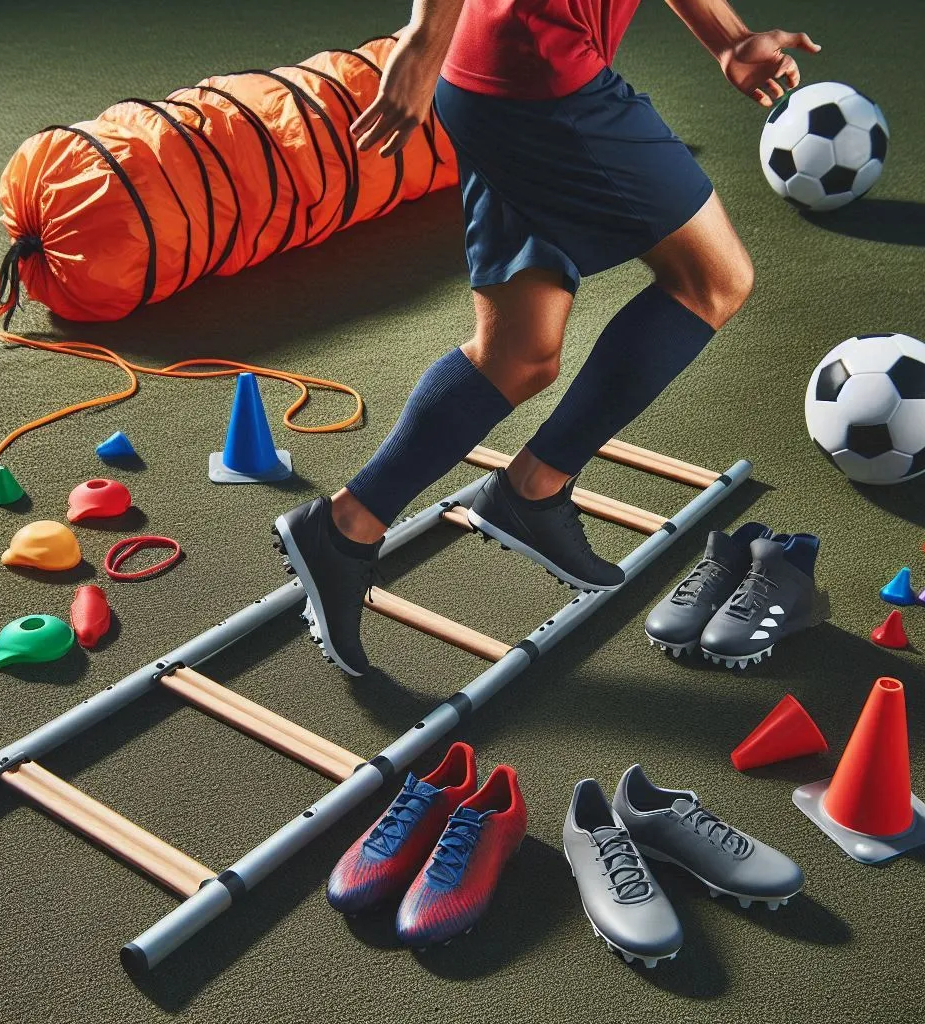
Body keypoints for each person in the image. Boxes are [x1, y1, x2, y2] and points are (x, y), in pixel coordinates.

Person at [274, 0, 819, 676]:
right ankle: (533, 487)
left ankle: (344, 528)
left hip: (491, 78)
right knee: (713, 280)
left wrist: (729, 40)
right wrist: (420, 39)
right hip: (542, 75)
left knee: (520, 354)